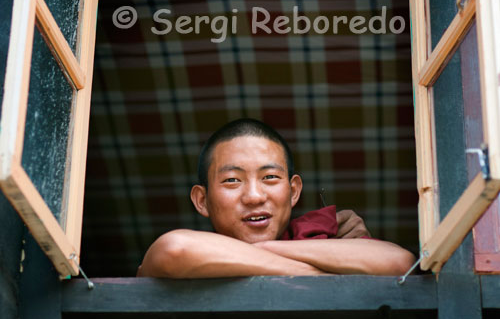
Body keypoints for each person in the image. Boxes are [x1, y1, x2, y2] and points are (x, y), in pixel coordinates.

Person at [137, 118, 415, 278]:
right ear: (201, 201)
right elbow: (174, 249)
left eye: (269, 177)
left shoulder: (313, 237)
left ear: (293, 191)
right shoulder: (191, 251)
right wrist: (323, 275)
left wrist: (266, 250)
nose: (255, 196)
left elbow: (400, 263)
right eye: (232, 180)